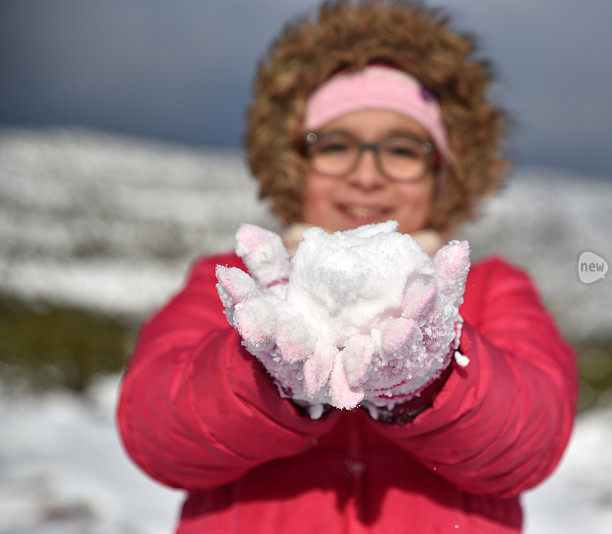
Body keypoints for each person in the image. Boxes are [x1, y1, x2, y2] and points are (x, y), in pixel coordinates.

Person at [116, 1, 578, 532]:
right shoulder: (233, 285)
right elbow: (155, 436)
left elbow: (532, 445)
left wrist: (434, 377)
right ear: (294, 163)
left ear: (443, 173)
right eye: (336, 145)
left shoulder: (491, 287)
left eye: (402, 150)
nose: (366, 176)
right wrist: (263, 378)